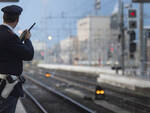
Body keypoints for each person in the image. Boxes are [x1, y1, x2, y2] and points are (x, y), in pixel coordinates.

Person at [0, 5, 34, 113]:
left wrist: (18, 41)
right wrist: (27, 40)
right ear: (17, 20)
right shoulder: (10, 36)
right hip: (7, 87)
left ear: (3, 17)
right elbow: (29, 54)